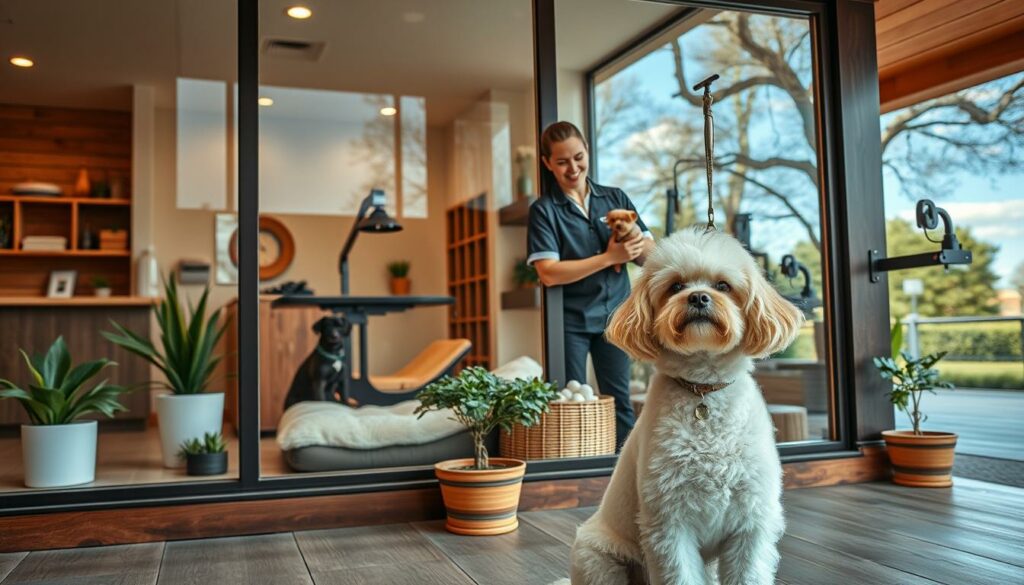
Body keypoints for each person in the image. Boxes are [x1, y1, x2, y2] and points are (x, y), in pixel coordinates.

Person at [527, 121, 655, 449]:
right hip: (570, 320)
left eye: (579, 157)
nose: (573, 168)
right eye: (562, 161)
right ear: (547, 163)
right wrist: (609, 256)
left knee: (619, 402)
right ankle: (578, 473)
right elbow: (549, 272)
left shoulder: (616, 198)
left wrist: (637, 242)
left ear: (587, 152)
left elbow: (650, 259)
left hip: (615, 316)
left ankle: (623, 475)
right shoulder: (544, 211)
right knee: (572, 402)